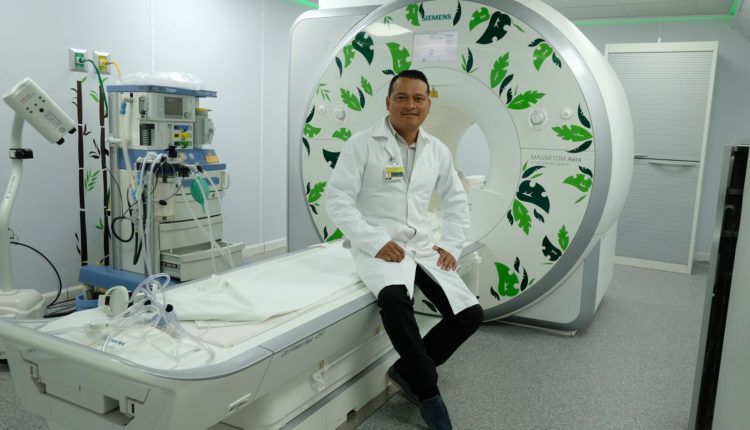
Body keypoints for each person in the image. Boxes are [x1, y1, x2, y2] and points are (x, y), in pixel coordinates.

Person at [326, 69, 484, 430]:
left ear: (428, 104)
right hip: (379, 244)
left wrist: (451, 244)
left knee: (469, 315)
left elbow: (455, 200)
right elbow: (337, 200)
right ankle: (428, 394)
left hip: (422, 244)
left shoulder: (437, 150)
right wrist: (375, 241)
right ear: (388, 102)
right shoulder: (362, 144)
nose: (410, 105)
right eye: (402, 97)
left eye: (418, 98)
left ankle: (407, 370)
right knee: (396, 301)